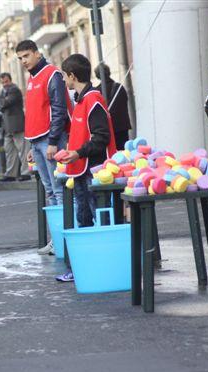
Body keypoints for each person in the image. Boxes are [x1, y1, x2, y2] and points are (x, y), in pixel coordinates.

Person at [57, 54, 117, 282]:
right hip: (82, 171)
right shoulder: (82, 100)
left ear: (72, 76)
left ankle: (104, 268)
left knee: (98, 221)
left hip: (93, 171)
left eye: (64, 76)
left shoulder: (93, 100)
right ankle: (84, 269)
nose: (63, 80)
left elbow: (101, 138)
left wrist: (78, 153)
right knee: (84, 219)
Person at [16, 39, 73, 255]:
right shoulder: (32, 77)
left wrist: (52, 142)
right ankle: (57, 239)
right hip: (38, 142)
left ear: (37, 53)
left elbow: (59, 109)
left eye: (26, 56)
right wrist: (32, 145)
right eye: (20, 58)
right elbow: (35, 113)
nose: (23, 61)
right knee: (50, 191)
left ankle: (65, 241)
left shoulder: (52, 74)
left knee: (58, 190)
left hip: (50, 140)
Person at [0, 72, 30, 182]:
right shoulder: (3, 92)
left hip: (17, 125)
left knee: (23, 149)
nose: (5, 84)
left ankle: (26, 172)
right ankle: (11, 174)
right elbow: (0, 105)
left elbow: (4, 104)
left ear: (10, 80)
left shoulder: (14, 90)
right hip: (7, 127)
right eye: (2, 82)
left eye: (6, 81)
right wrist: (1, 100)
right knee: (9, 151)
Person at [96, 64, 132, 150]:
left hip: (107, 128)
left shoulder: (96, 91)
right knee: (123, 153)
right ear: (109, 73)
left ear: (98, 76)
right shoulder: (119, 87)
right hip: (122, 127)